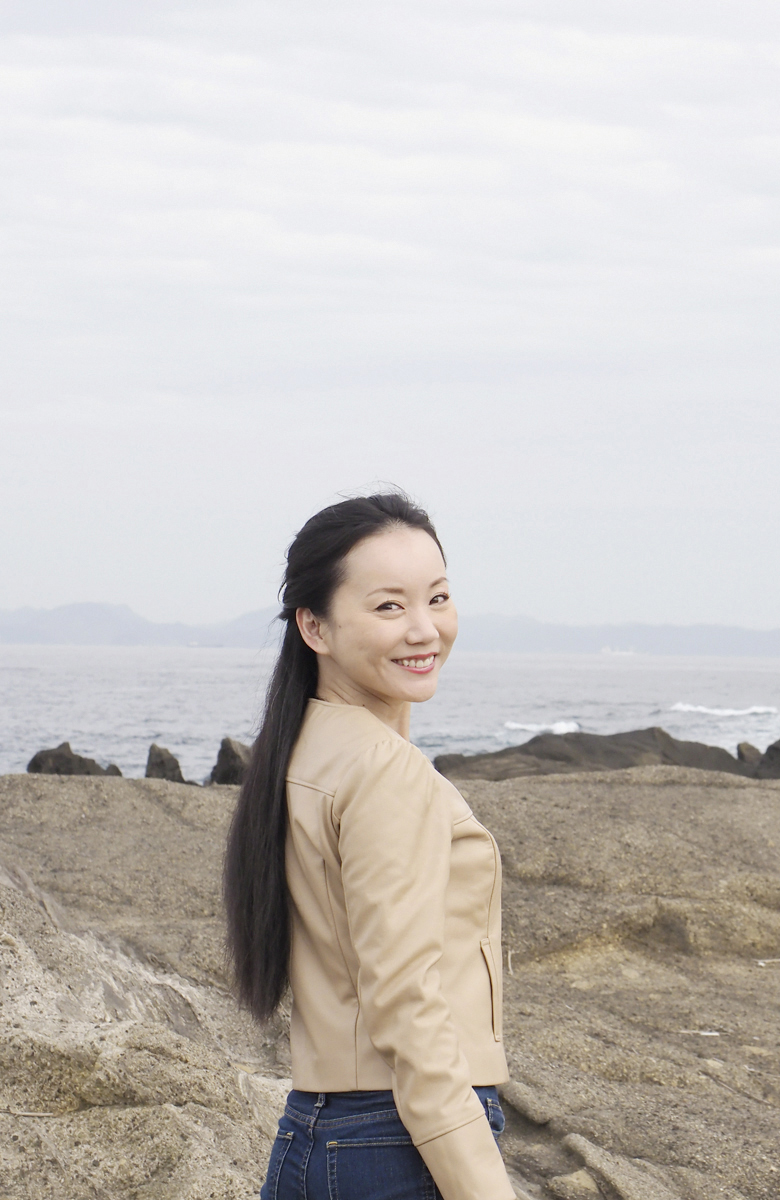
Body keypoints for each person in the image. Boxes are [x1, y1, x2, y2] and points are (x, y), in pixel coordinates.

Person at [223, 493, 516, 1200]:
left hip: (315, 1130)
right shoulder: (386, 772)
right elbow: (407, 1007)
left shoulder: (302, 748)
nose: (425, 630)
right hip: (396, 1143)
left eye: (438, 598)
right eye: (389, 607)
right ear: (315, 626)